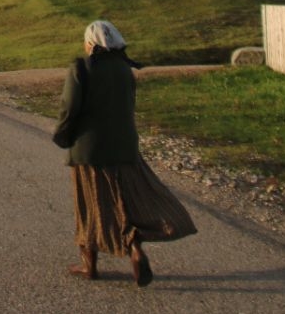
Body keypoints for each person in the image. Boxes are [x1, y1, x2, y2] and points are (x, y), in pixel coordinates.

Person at [52, 20, 196, 286]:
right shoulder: (125, 70)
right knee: (122, 202)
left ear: (91, 43)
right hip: (124, 148)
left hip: (89, 150)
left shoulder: (82, 68)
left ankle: (89, 264)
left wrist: (61, 135)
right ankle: (135, 249)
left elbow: (69, 108)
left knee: (90, 205)